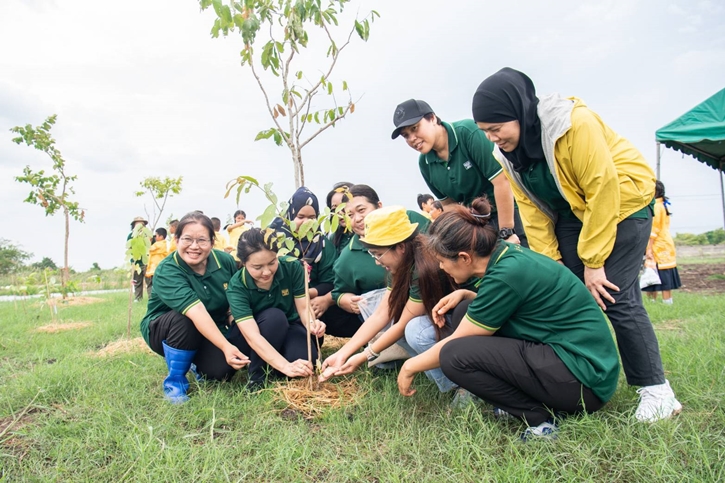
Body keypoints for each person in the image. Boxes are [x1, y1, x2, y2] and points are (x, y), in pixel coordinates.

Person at [470, 67, 681, 422]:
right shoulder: (506, 154)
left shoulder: (572, 124)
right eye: (485, 132)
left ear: (519, 112)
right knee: (562, 293)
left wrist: (594, 263)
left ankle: (656, 390)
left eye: (497, 129)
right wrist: (553, 267)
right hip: (573, 210)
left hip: (625, 203)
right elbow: (533, 211)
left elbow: (603, 187)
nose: (493, 139)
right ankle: (566, 378)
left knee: (612, 293)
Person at [397, 202, 621, 439]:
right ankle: (529, 402)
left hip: (584, 382)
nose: (441, 268)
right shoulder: (505, 255)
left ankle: (541, 419)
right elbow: (518, 303)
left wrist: (411, 365)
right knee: (466, 309)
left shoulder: (507, 274)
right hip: (578, 364)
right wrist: (466, 294)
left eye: (442, 260)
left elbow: (460, 341)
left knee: (454, 356)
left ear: (464, 257)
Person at [319, 206, 458, 394]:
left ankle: (459, 386)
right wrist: (343, 353)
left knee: (416, 330)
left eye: (378, 253)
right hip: (444, 319)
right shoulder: (401, 265)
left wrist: (363, 356)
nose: (376, 261)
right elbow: (381, 314)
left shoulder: (423, 268)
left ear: (400, 247)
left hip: (461, 320)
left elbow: (402, 324)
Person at [139, 212, 250, 403]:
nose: (194, 246)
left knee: (221, 372)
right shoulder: (168, 269)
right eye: (187, 239)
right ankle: (175, 383)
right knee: (186, 319)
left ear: (212, 242)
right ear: (176, 239)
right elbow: (196, 311)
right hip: (166, 329)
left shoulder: (225, 262)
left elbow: (234, 299)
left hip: (211, 327)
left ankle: (195, 363)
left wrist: (235, 321)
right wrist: (226, 346)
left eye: (202, 240)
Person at [392, 99, 527, 247]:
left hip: (511, 213)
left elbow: (502, 181)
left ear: (432, 118)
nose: (412, 138)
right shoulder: (424, 163)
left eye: (415, 128)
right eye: (405, 135)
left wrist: (506, 232)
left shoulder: (467, 133)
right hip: (477, 228)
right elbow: (449, 205)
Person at [312, 184, 430, 338]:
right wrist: (344, 300)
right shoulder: (347, 258)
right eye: (350, 215)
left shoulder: (408, 220)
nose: (358, 219)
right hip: (391, 311)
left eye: (362, 210)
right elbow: (338, 292)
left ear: (379, 206)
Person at [227, 227, 326, 388]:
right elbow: (252, 336)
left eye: (272, 263)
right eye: (257, 267)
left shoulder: (292, 267)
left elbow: (303, 308)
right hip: (254, 334)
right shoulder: (237, 286)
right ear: (244, 263)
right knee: (274, 317)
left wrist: (311, 323)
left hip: (288, 326)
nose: (266, 272)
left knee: (306, 362)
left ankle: (276, 363)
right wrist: (285, 366)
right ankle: (257, 376)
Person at [268, 186, 337, 306]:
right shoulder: (274, 240)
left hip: (311, 304)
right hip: (276, 303)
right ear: (290, 215)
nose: (306, 222)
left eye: (312, 218)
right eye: (300, 217)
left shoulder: (323, 245)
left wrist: (305, 294)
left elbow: (331, 282)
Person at [642, 181, 681, 304]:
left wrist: (648, 249)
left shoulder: (656, 207)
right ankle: (665, 302)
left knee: (657, 275)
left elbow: (654, 230)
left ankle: (657, 302)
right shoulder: (663, 204)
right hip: (665, 244)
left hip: (658, 245)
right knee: (661, 275)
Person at [325, 182, 354, 255]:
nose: (340, 213)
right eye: (335, 209)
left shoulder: (365, 235)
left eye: (343, 206)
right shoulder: (333, 238)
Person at [128, 216, 150, 302]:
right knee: (137, 281)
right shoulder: (131, 236)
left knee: (149, 282)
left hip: (147, 261)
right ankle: (138, 298)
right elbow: (129, 248)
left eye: (142, 224)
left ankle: (150, 298)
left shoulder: (147, 235)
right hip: (136, 262)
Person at [145, 227, 169, 294]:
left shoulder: (158, 244)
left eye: (156, 235)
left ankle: (152, 298)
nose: (155, 237)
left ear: (161, 236)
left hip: (155, 268)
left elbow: (149, 249)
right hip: (160, 268)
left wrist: (148, 241)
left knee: (153, 285)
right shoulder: (165, 244)